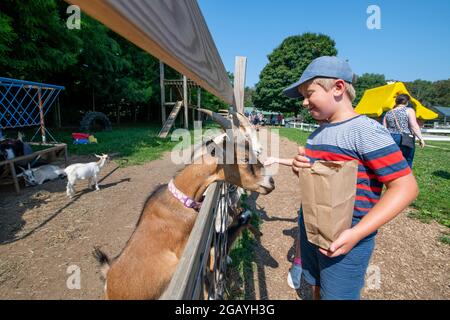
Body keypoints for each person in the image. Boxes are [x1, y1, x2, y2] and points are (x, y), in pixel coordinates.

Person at [283, 56, 419, 300]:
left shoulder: (365, 131)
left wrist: (356, 233)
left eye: (309, 93)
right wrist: (300, 167)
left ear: (338, 88)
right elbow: (320, 179)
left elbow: (405, 187)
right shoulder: (316, 134)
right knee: (315, 284)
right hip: (312, 225)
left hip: (348, 234)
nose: (304, 102)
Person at [264, 156, 303, 289]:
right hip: (313, 198)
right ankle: (298, 264)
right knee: (303, 232)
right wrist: (276, 159)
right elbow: (303, 161)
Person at [383, 94, 425, 168]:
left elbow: (384, 128)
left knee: (392, 159)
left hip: (390, 137)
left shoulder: (388, 112)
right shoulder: (409, 110)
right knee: (407, 159)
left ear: (396, 102)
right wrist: (420, 138)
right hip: (405, 137)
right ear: (407, 102)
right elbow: (414, 125)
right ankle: (406, 176)